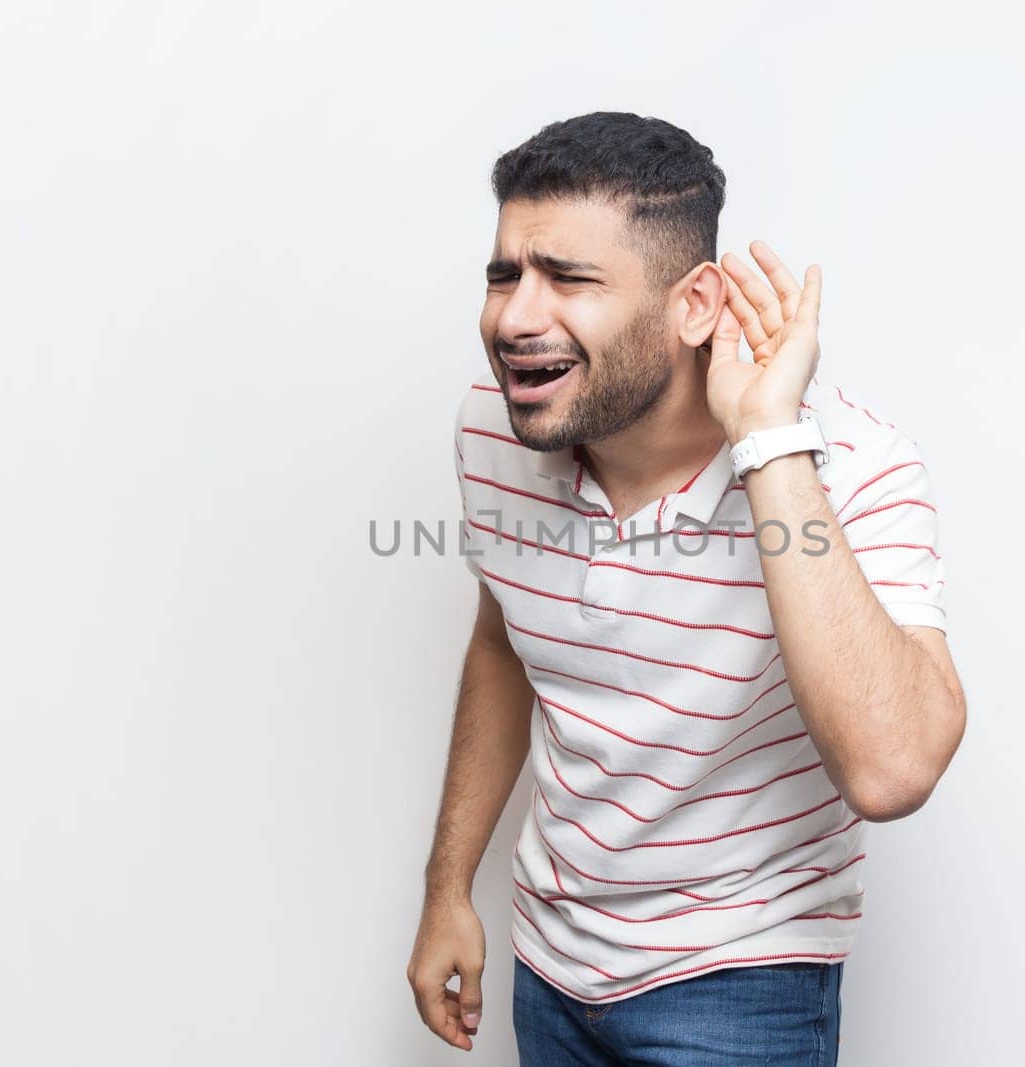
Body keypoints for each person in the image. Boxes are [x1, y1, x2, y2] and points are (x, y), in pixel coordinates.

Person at [407, 111, 967, 1065]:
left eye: (569, 278)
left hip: (742, 985)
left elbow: (893, 769)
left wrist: (767, 440)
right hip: (550, 967)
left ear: (697, 303)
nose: (513, 317)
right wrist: (448, 887)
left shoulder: (855, 467)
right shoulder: (496, 434)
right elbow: (506, 644)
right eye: (505, 273)